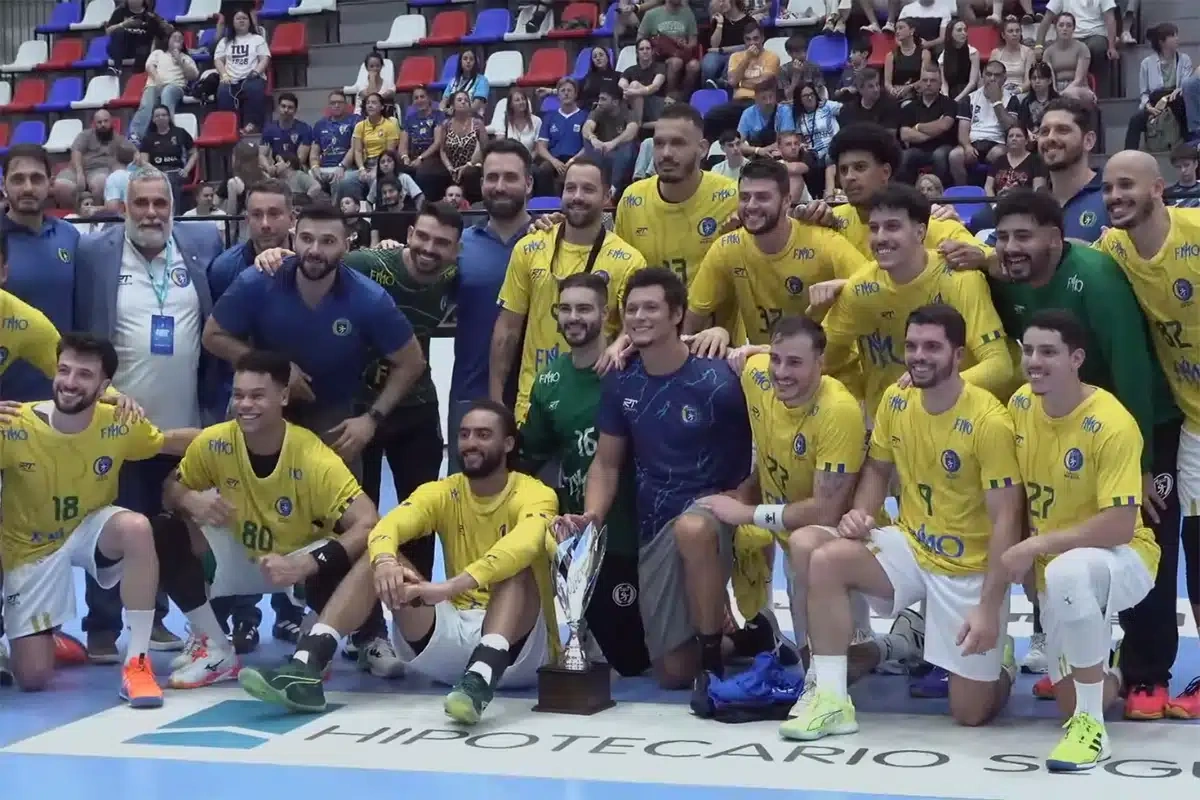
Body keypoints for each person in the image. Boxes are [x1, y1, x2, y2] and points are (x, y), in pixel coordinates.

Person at [783, 304, 1023, 740]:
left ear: (959, 356)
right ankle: (832, 700)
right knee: (821, 557)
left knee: (969, 713)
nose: (919, 356)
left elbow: (1007, 519)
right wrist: (863, 512)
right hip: (913, 545)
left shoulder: (989, 422)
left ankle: (1001, 661)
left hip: (967, 569)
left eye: (932, 347)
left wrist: (990, 608)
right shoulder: (896, 400)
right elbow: (877, 468)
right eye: (912, 346)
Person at [236, 400, 558, 724]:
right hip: (453, 639)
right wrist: (386, 561)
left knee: (520, 568)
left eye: (483, 435)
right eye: (464, 434)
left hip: (517, 651)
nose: (470, 442)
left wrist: (449, 587)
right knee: (375, 558)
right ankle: (306, 668)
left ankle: (481, 679)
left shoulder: (537, 494)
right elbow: (387, 526)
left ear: (508, 443)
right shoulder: (443, 491)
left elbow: (523, 543)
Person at [983, 188, 1182, 682]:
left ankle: (1147, 673)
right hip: (1062, 419)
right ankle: (1072, 653)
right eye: (1003, 237)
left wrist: (1143, 464)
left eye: (1023, 236)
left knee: (1146, 527)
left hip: (1138, 421)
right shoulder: (1006, 279)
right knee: (1050, 521)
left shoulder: (1094, 276)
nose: (1010, 248)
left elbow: (1131, 366)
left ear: (1056, 238)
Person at [252, 203, 464, 583]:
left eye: (442, 243)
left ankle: (418, 606)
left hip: (414, 407)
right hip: (353, 411)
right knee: (352, 522)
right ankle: (358, 613)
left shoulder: (455, 275)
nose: (430, 248)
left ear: (456, 250)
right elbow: (316, 258)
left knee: (422, 518)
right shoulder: (366, 265)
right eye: (423, 236)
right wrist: (275, 255)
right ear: (409, 234)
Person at [565, 266, 754, 693]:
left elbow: (759, 449)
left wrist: (742, 504)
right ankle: (739, 640)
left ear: (678, 315)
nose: (639, 317)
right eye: (632, 309)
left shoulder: (720, 378)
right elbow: (606, 463)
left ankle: (711, 666)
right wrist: (592, 517)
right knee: (671, 673)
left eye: (651, 308)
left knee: (694, 528)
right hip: (654, 525)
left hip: (716, 517)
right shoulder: (621, 380)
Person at [156, 350, 381, 688]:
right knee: (162, 530)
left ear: (283, 396)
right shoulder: (215, 441)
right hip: (237, 554)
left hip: (296, 564)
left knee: (358, 553)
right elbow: (170, 488)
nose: (245, 405)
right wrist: (187, 498)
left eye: (257, 396)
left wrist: (308, 563)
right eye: (239, 395)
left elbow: (369, 521)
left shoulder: (313, 456)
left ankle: (320, 644)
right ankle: (215, 647)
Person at [74, 165, 225, 662]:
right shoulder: (96, 254)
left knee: (164, 528)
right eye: (141, 203)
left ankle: (155, 617)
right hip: (116, 425)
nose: (151, 213)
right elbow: (83, 334)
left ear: (173, 208)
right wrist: (102, 392)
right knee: (111, 524)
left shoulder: (201, 245)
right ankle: (101, 626)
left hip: (182, 424)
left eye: (160, 203)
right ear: (124, 208)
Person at [0, 333, 199, 704]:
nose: (70, 382)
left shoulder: (118, 422)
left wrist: (238, 434)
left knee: (136, 528)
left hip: (89, 528)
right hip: (31, 547)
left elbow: (169, 441)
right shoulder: (13, 423)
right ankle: (47, 639)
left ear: (105, 386)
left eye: (84, 375)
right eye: (64, 370)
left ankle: (137, 663)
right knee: (32, 677)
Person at [1005, 310, 1160, 770]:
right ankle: (1110, 667)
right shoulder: (1020, 405)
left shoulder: (1112, 423)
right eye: (1028, 350)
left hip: (1125, 556)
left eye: (1048, 352)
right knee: (1068, 702)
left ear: (1076, 359)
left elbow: (1120, 524)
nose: (1035, 361)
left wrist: (1035, 546)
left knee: (1067, 570)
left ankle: (1093, 731)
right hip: (1058, 563)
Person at [703, 315, 877, 673]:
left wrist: (747, 513)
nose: (781, 372)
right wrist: (719, 330)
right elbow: (692, 348)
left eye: (795, 362)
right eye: (776, 359)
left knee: (845, 665)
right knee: (812, 668)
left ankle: (896, 643)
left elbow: (826, 512)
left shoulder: (838, 411)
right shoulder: (757, 374)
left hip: (839, 543)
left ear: (820, 363)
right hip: (791, 540)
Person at [1093, 150, 1200, 719]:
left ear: (1159, 188)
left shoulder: (1196, 232)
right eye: (1109, 187)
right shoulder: (1113, 248)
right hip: (1192, 423)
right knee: (1194, 550)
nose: (1115, 196)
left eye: (1127, 185)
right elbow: (1059, 260)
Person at [519, 272, 651, 678]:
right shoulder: (549, 381)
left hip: (637, 531)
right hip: (584, 538)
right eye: (566, 309)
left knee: (638, 659)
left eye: (584, 308)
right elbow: (531, 456)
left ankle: (742, 637)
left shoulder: (633, 368)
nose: (574, 317)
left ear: (605, 314)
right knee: (617, 656)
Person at [816, 184, 1012, 420]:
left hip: (958, 418)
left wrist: (930, 384)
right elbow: (823, 360)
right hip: (889, 424)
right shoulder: (859, 289)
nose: (880, 238)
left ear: (920, 232)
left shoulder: (961, 279)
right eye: (874, 228)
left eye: (892, 227)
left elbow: (1000, 367)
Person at [490, 156, 647, 423]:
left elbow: (634, 327)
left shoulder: (629, 260)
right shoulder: (530, 247)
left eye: (588, 189)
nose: (577, 197)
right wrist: (495, 403)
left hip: (596, 401)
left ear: (606, 196)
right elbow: (507, 329)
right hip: (533, 402)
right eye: (570, 188)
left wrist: (618, 345)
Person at [684, 158, 868, 356]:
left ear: (787, 201)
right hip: (765, 367)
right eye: (745, 197)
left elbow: (877, 286)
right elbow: (692, 319)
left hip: (830, 368)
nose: (751, 205)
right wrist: (713, 334)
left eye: (762, 197)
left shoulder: (823, 242)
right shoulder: (727, 247)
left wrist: (842, 285)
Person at [447, 139, 533, 472]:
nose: (499, 186)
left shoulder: (551, 240)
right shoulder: (459, 247)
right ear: (482, 183)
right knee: (466, 496)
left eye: (510, 177)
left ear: (528, 183)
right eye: (492, 177)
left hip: (539, 397)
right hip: (471, 394)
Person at [615, 104, 740, 333]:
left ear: (702, 149)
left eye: (678, 143)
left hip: (716, 340)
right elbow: (623, 278)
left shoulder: (732, 197)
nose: (666, 153)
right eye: (659, 143)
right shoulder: (632, 199)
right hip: (649, 338)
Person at [129, 30, 199, 144]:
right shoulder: (158, 53)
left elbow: (193, 75)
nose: (177, 39)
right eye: (174, 37)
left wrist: (180, 60)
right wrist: (158, 80)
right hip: (155, 85)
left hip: (175, 87)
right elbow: (149, 66)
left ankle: (167, 133)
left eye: (180, 38)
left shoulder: (186, 58)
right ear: (168, 40)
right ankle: (136, 136)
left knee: (167, 92)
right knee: (147, 103)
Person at [105, 0, 172, 73]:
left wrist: (165, 26)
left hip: (140, 49)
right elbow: (108, 32)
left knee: (145, 47)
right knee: (119, 32)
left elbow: (164, 33)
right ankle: (117, 69)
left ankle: (139, 74)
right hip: (122, 47)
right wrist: (123, 24)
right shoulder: (120, 11)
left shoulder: (151, 16)